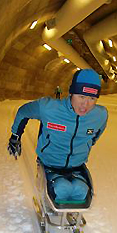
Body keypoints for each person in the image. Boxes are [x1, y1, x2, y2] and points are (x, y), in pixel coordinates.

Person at [8, 69, 108, 202]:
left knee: (82, 191)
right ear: (71, 92)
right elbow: (23, 112)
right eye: (81, 97)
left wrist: (84, 146)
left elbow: (94, 136)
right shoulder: (48, 108)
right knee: (61, 189)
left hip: (77, 167)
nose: (86, 104)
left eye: (92, 98)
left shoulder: (100, 115)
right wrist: (15, 136)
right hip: (50, 164)